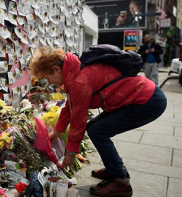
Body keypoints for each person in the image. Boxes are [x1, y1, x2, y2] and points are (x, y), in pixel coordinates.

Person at [29, 47, 166, 197]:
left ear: (55, 69)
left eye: (48, 78)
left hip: (148, 101)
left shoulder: (79, 81)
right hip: (142, 97)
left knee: (98, 131)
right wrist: (58, 130)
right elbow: (71, 106)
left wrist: (71, 152)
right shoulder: (74, 70)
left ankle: (121, 182)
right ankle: (115, 168)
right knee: (94, 128)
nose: (50, 82)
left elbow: (78, 118)